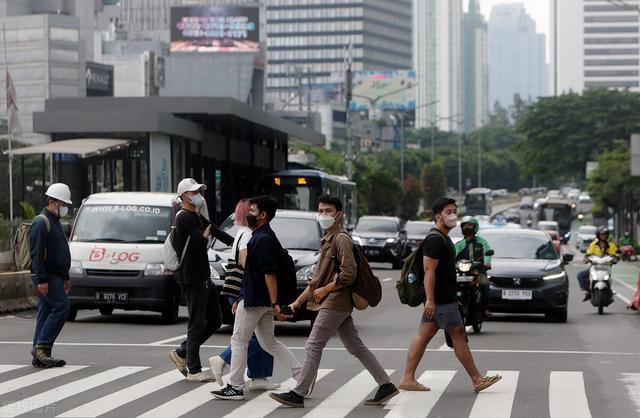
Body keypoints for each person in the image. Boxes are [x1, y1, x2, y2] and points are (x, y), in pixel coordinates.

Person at [269, 195, 398, 408]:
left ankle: (298, 393)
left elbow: (349, 274)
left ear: (339, 214)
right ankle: (385, 384)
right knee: (356, 346)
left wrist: (326, 289)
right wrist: (296, 303)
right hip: (334, 300)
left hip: (337, 300)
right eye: (321, 210)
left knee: (313, 344)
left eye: (328, 211)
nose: (323, 215)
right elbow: (316, 280)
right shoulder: (328, 239)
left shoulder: (341, 239)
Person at [398, 197, 501, 393]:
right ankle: (477, 379)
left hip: (439, 300)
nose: (454, 215)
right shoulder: (435, 240)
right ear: (438, 216)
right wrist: (430, 299)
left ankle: (407, 378)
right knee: (459, 335)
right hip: (441, 300)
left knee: (423, 336)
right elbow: (429, 271)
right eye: (449, 212)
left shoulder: (443, 238)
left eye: (455, 211)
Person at [211, 196, 301, 401]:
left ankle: (235, 386)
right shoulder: (264, 236)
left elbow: (268, 274)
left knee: (239, 341)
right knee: (269, 342)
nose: (249, 214)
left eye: (252, 211)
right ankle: (302, 374)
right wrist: (271, 303)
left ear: (263, 215)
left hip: (255, 300)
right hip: (258, 300)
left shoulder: (261, 239)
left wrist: (275, 303)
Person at [208, 199, 279, 391]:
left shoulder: (242, 233)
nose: (251, 214)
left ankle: (257, 376)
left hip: (242, 290)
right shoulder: (249, 235)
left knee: (257, 337)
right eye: (251, 210)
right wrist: (243, 296)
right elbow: (250, 268)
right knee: (254, 339)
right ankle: (224, 359)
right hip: (248, 291)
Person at [168, 178, 234, 382]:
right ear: (184, 196)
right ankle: (194, 370)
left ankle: (182, 352)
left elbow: (216, 231)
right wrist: (205, 236)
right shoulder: (184, 217)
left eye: (199, 191)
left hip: (203, 275)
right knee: (196, 323)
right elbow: (200, 241)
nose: (198, 194)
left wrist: (240, 242)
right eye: (194, 191)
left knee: (215, 320)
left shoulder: (195, 215)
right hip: (191, 277)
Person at [30, 183, 73, 368]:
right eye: (62, 203)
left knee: (45, 312)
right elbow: (36, 253)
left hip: (56, 275)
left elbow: (59, 251)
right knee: (62, 307)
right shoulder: (41, 222)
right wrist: (41, 279)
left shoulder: (54, 222)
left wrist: (65, 276)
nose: (64, 207)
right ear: (51, 202)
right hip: (48, 275)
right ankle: (42, 347)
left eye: (65, 204)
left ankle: (39, 354)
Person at [454, 216, 492, 317]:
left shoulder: (482, 242)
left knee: (485, 285)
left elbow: (487, 253)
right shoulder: (459, 244)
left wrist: (487, 263)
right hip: (463, 272)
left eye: (470, 225)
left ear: (475, 227)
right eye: (465, 225)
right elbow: (453, 255)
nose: (467, 227)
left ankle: (484, 309)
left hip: (479, 272)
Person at [576, 226, 618, 302]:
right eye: (602, 234)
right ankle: (588, 291)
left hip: (606, 267)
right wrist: (586, 258)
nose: (603, 236)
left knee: (608, 278)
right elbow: (588, 253)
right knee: (580, 275)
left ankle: (609, 291)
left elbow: (615, 254)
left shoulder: (611, 245)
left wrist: (616, 258)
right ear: (598, 235)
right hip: (595, 267)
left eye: (605, 234)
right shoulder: (593, 244)